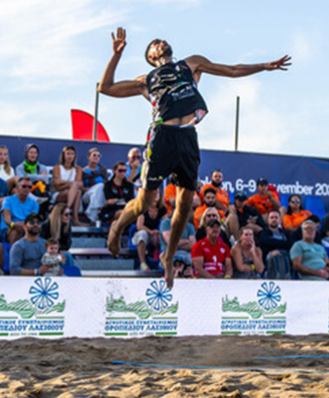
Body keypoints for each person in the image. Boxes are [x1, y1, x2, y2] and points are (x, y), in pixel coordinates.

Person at [98, 26, 290, 287]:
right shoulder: (147, 79)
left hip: (187, 136)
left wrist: (264, 66)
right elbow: (105, 88)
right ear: (151, 55)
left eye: (162, 39)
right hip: (161, 135)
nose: (161, 41)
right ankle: (117, 227)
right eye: (155, 43)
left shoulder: (192, 64)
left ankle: (168, 258)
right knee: (145, 202)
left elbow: (232, 70)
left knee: (186, 204)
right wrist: (117, 54)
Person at [192, 212, 233, 279]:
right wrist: (213, 280)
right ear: (206, 230)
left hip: (220, 278)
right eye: (212, 227)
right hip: (202, 280)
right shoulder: (199, 245)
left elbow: (229, 267)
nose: (215, 229)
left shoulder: (225, 247)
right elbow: (199, 269)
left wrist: (227, 278)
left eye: (217, 227)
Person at [50, 145, 85, 222]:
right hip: (58, 194)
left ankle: (72, 215)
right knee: (76, 189)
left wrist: (65, 184)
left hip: (72, 194)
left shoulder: (78, 169)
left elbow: (79, 184)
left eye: (72, 154)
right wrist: (70, 185)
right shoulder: (57, 167)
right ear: (64, 155)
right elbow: (57, 184)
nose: (70, 156)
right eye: (68, 153)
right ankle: (70, 212)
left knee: (78, 192)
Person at [1, 178, 40, 244]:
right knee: (18, 230)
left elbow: (32, 220)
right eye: (24, 186)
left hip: (26, 228)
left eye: (29, 187)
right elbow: (7, 219)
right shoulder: (8, 200)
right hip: (9, 228)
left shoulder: (34, 204)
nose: (27, 189)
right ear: (17, 187)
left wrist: (25, 226)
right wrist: (13, 224)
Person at [257, 210, 293, 279]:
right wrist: (283, 244)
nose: (274, 219)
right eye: (272, 217)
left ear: (280, 220)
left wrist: (275, 244)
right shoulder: (264, 233)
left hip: (285, 256)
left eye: (276, 218)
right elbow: (266, 242)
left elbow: (291, 244)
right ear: (268, 220)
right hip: (269, 257)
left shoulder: (285, 233)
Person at [132, 199, 164, 271]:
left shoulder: (162, 208)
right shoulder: (143, 208)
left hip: (156, 234)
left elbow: (165, 224)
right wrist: (151, 231)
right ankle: (142, 263)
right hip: (142, 233)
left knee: (164, 235)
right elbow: (139, 226)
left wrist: (158, 232)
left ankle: (162, 261)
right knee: (143, 234)